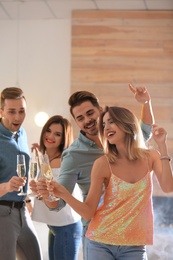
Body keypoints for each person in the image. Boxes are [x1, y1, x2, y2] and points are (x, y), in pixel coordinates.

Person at [37, 84, 155, 259]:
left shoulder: (123, 138)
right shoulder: (73, 155)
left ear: (100, 110)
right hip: (96, 233)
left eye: (90, 113)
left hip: (129, 230)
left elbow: (145, 130)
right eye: (80, 118)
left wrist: (146, 102)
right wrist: (47, 194)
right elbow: (59, 202)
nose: (87, 120)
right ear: (76, 122)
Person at [48, 106, 173, 260]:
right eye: (104, 125)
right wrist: (63, 193)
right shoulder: (103, 164)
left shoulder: (151, 156)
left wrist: (162, 145)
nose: (106, 128)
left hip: (134, 246)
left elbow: (168, 187)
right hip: (100, 242)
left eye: (111, 122)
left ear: (127, 123)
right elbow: (88, 212)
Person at [30, 115, 82, 260]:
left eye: (57, 134)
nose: (50, 136)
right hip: (56, 226)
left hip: (66, 227)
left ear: (63, 139)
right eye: (48, 130)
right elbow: (48, 192)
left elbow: (55, 195)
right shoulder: (49, 159)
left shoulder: (59, 162)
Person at [0, 87, 42, 260]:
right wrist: (8, 186)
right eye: (11, 112)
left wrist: (27, 199)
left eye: (21, 111)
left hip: (22, 210)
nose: (17, 117)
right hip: (3, 213)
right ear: (1, 111)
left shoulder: (21, 133)